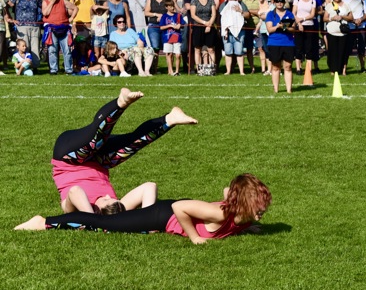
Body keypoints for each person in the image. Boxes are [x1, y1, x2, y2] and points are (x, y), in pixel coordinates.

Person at [47, 87, 197, 215]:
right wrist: (147, 220)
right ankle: (170, 119)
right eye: (113, 198)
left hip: (68, 157)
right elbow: (149, 187)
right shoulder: (117, 208)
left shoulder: (75, 209)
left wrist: (91, 219)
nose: (107, 194)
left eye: (105, 199)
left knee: (95, 141)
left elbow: (75, 191)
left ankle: (121, 103)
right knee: (132, 144)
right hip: (100, 161)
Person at [15, 174, 271, 246]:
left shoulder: (242, 215)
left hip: (166, 213)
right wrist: (195, 237)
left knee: (112, 221)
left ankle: (115, 208)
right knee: (103, 225)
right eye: (258, 206)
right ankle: (44, 222)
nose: (261, 211)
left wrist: (248, 227)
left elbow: (228, 192)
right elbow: (179, 207)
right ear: (243, 203)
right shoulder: (219, 214)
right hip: (160, 215)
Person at [42, 0, 78, 75]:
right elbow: (45, 13)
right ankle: (53, 70)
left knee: (67, 50)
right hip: (51, 28)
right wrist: (52, 2)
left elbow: (75, 8)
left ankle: (68, 69)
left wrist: (71, 18)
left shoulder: (63, 1)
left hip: (64, 28)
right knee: (52, 50)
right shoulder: (45, 2)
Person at [6, 0, 42, 68]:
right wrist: (11, 19)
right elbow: (5, 7)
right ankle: (24, 66)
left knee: (35, 47)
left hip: (35, 26)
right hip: (21, 26)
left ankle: (35, 66)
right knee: (24, 47)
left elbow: (43, 9)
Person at [265, 0, 297, 93]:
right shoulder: (270, 14)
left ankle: (289, 90)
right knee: (276, 67)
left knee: (288, 66)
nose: (279, 3)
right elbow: (269, 29)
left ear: (284, 2)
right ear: (274, 2)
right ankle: (276, 90)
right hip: (274, 43)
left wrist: (285, 27)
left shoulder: (290, 14)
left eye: (281, 1)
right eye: (277, 1)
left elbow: (293, 29)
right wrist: (277, 27)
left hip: (288, 43)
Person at [219, 0, 249, 75]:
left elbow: (247, 15)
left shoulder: (241, 3)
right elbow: (221, 15)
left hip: (239, 31)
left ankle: (241, 71)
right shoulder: (224, 4)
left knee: (239, 52)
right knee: (228, 52)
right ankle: (228, 71)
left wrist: (240, 10)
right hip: (227, 32)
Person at [323, 0, 353, 76]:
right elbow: (325, 18)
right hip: (332, 32)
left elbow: (351, 18)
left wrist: (342, 17)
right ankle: (333, 70)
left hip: (343, 32)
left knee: (344, 52)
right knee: (332, 52)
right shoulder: (329, 5)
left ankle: (343, 70)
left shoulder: (346, 5)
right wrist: (332, 18)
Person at [190, 0, 218, 73]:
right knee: (197, 48)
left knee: (211, 49)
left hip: (209, 26)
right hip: (198, 27)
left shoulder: (211, 1)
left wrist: (209, 24)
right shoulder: (194, 1)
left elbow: (214, 14)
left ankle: (212, 68)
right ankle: (199, 69)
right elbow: (193, 15)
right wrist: (204, 23)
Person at [292, 0, 318, 78]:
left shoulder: (313, 1)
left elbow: (312, 15)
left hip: (309, 25)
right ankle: (298, 68)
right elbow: (293, 13)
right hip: (299, 26)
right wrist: (299, 23)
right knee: (298, 47)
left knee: (309, 47)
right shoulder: (297, 0)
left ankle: (309, 69)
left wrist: (302, 19)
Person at [343, 0, 366, 73]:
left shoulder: (361, 0)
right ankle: (344, 68)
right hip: (350, 28)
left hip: (361, 28)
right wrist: (353, 21)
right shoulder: (345, 1)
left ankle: (362, 67)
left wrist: (360, 20)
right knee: (347, 48)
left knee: (361, 48)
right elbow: (344, 15)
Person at [70, 0, 95, 71]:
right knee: (77, 46)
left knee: (88, 46)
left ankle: (89, 65)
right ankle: (76, 65)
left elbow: (93, 12)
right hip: (77, 25)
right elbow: (70, 12)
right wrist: (72, 2)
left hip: (88, 25)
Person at [143, 0, 169, 68]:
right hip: (153, 26)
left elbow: (172, 12)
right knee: (155, 47)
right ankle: (154, 68)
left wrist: (163, 17)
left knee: (167, 48)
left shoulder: (167, 0)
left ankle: (169, 69)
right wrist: (155, 14)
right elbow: (146, 12)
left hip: (165, 27)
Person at [159, 0, 183, 76]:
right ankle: (170, 71)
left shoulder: (178, 15)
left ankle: (177, 71)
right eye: (171, 6)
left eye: (173, 6)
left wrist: (180, 25)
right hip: (167, 38)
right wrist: (170, 25)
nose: (173, 8)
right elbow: (161, 27)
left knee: (178, 55)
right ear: (166, 7)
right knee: (169, 54)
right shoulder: (164, 16)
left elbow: (182, 24)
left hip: (177, 37)